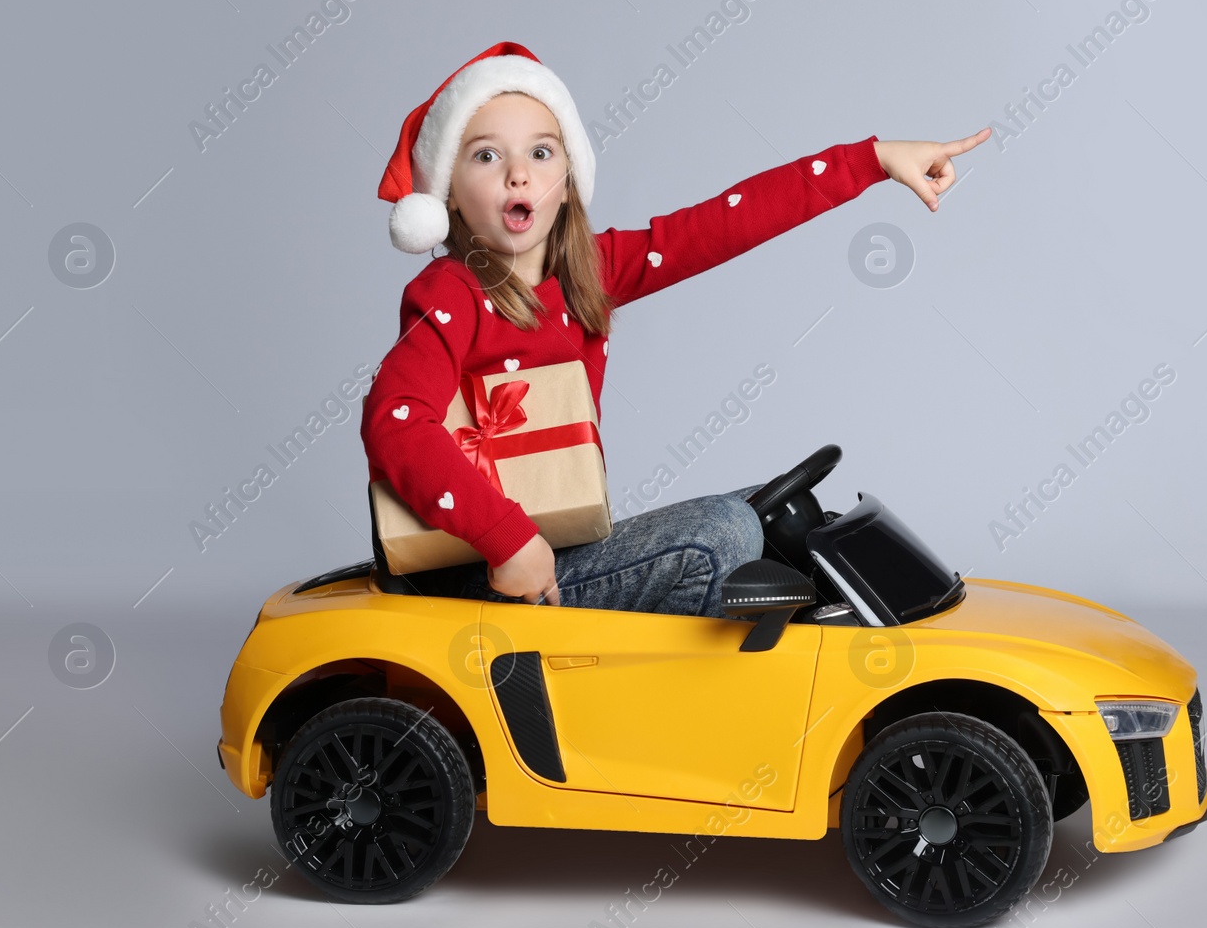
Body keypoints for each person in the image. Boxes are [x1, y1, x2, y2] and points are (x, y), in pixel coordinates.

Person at [362, 41, 988, 618]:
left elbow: (722, 224)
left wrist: (870, 161)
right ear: (447, 196)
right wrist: (506, 539)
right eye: (487, 155)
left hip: (556, 549)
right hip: (484, 576)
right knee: (724, 534)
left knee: (781, 514)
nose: (518, 173)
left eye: (540, 152)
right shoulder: (452, 292)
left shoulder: (591, 269)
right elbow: (394, 422)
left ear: (566, 182)